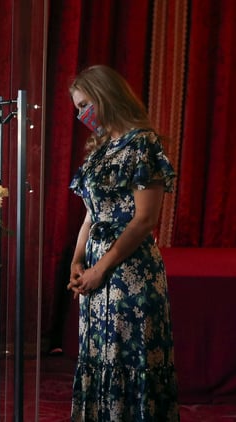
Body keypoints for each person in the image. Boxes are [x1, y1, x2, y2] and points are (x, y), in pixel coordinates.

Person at [66, 64, 179, 421]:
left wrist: (101, 268)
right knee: (99, 357)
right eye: (77, 108)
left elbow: (145, 219)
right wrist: (77, 261)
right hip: (97, 275)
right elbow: (91, 214)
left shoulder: (143, 144)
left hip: (130, 273)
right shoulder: (99, 151)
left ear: (105, 96)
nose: (82, 114)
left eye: (85, 104)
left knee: (128, 358)